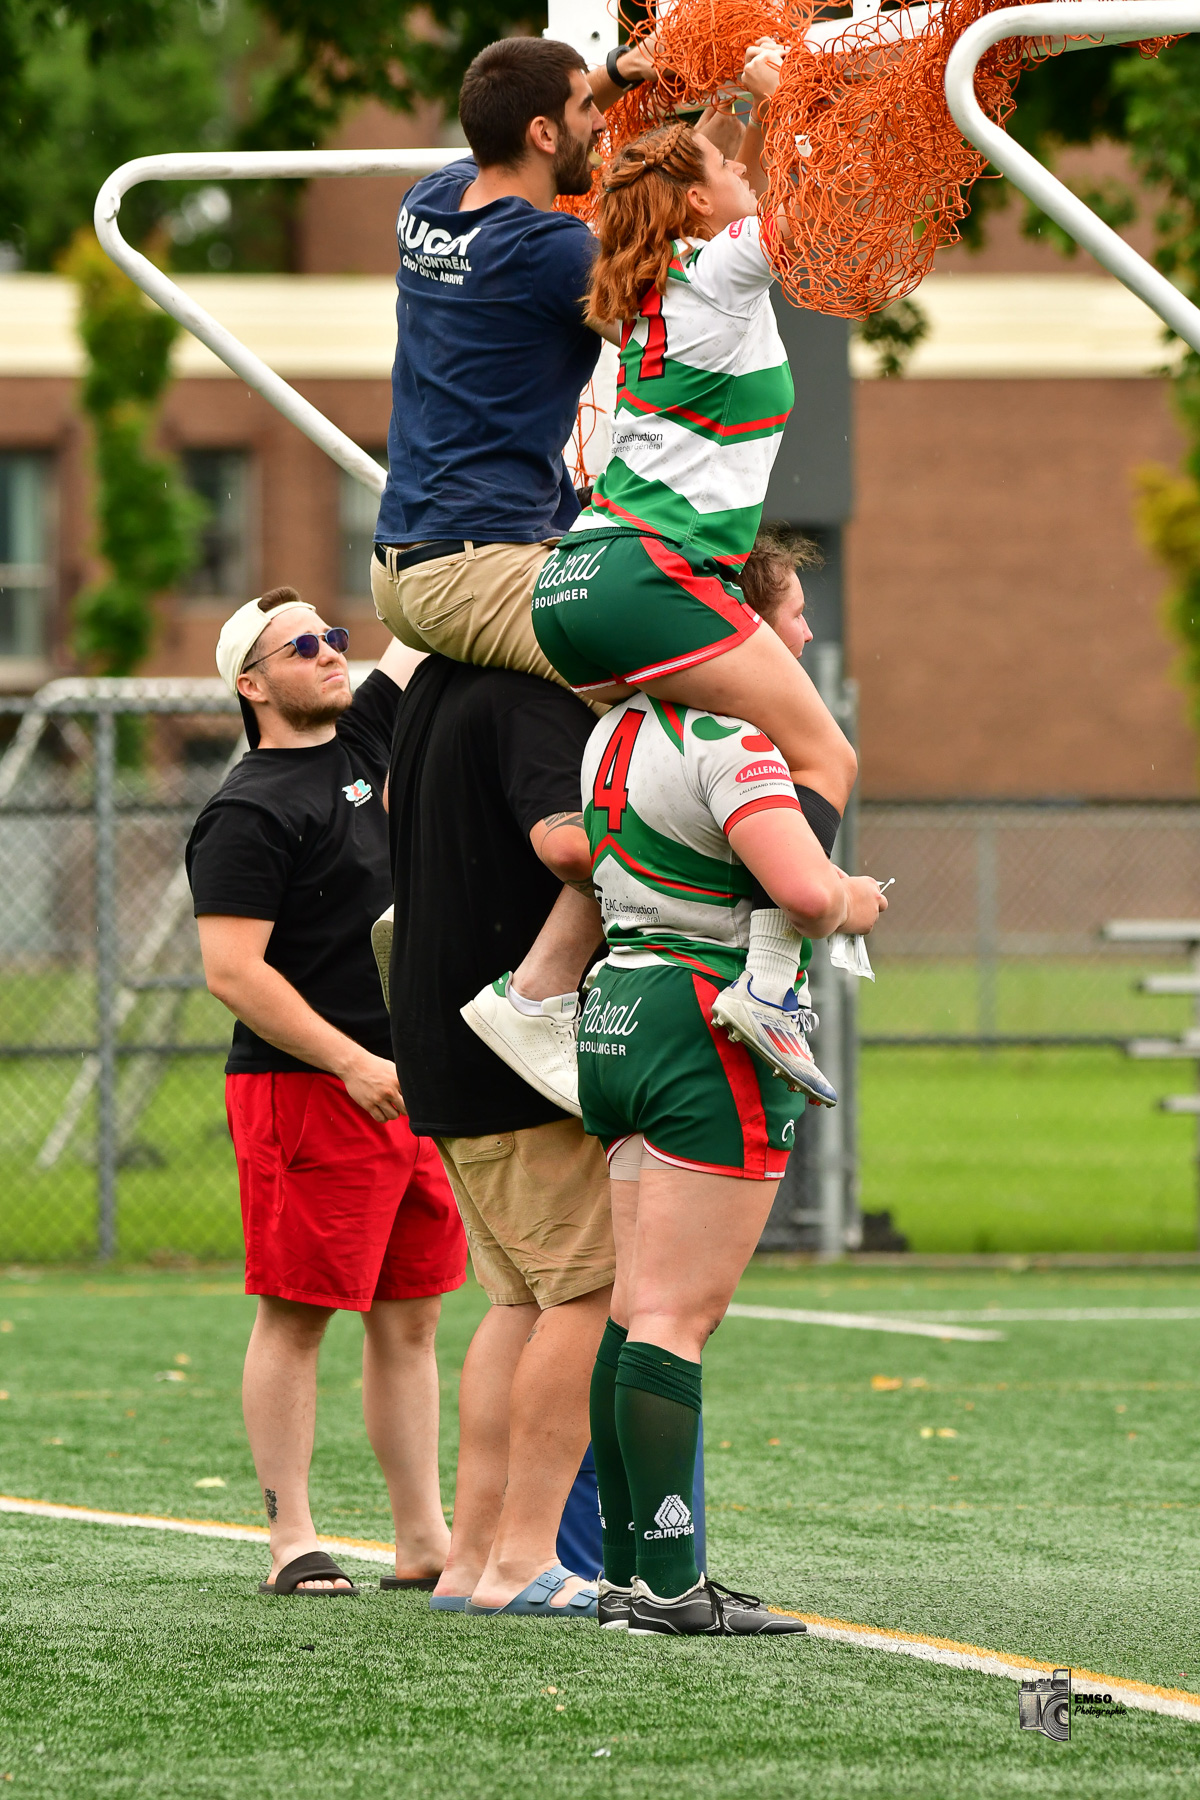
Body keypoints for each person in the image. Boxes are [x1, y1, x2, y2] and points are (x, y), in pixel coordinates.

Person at [529, 47, 862, 1100]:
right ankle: (771, 976)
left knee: (691, 763)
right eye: (728, 173)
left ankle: (540, 984)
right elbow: (820, 204)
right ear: (696, 205)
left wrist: (678, 85)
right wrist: (778, 90)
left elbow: (643, 166)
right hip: (643, 576)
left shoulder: (639, 288)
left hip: (572, 583)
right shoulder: (719, 268)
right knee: (826, 756)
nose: (746, 175)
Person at [576, 538, 888, 1635]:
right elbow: (803, 891)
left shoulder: (614, 729)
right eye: (786, 617)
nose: (799, 637)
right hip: (705, 1027)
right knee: (674, 1315)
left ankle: (627, 1573)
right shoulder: (732, 740)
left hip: (617, 1008)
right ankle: (668, 1586)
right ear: (735, 635)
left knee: (632, 1310)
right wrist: (855, 896)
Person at [186, 587, 467, 1597]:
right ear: (251, 684)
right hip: (311, 1089)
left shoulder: (368, 741)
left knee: (412, 1317)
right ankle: (292, 1539)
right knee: (299, 1312)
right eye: (303, 646)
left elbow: (424, 618)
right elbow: (234, 971)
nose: (332, 652)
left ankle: (423, 1539)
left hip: (413, 1085)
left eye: (334, 637)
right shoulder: (249, 808)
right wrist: (350, 1063)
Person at [386, 653, 615, 1616]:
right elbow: (568, 846)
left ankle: (474, 1560)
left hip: (448, 1043)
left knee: (518, 1301)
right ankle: (523, 1563)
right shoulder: (527, 698)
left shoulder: (437, 683)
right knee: (590, 1290)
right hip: (513, 1050)